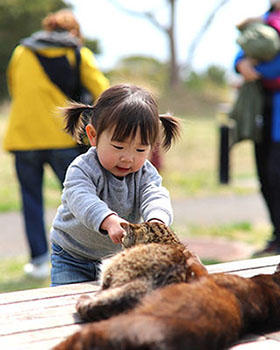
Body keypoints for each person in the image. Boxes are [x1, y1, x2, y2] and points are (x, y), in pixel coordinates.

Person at [2, 9, 110, 279]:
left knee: (31, 199)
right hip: (63, 137)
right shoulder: (78, 53)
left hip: (24, 138)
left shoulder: (22, 52)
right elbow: (103, 91)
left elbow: (15, 88)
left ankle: (39, 260)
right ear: (73, 31)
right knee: (83, 195)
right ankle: (89, 253)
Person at [50, 83, 181, 286]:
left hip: (116, 259)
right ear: (93, 136)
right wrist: (108, 220)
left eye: (140, 150)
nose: (128, 158)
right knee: (66, 306)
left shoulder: (145, 173)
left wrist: (157, 219)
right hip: (72, 256)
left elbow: (155, 195)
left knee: (114, 306)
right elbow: (82, 199)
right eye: (118, 146)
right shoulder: (82, 168)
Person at [234, 1, 280, 256]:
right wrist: (241, 66)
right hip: (262, 110)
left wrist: (257, 69)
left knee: (276, 173)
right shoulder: (261, 20)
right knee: (265, 175)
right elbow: (239, 57)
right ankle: (277, 234)